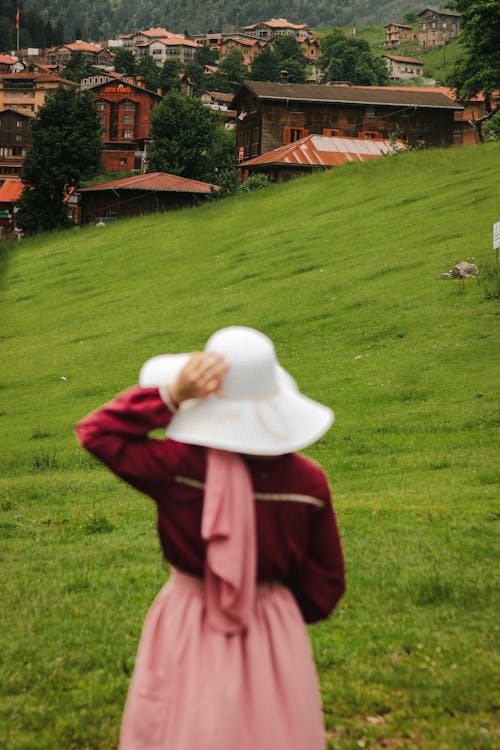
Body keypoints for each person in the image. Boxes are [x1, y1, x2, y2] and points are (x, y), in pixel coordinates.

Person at [76, 325, 345, 750]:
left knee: (184, 726)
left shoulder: (178, 466)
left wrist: (169, 397)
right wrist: (274, 609)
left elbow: (97, 433)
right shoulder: (307, 482)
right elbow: (325, 587)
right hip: (273, 626)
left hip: (189, 615)